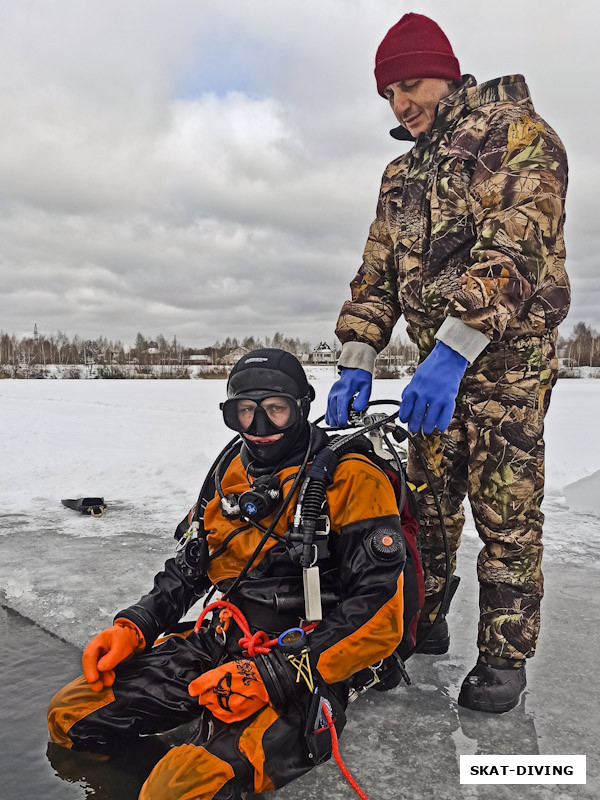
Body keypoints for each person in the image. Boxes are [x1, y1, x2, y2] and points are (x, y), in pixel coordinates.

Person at [327, 12, 569, 713]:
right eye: (389, 95)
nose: (402, 104)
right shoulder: (400, 173)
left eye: (411, 84)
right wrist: (357, 356)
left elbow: (516, 248)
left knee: (506, 516)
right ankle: (419, 620)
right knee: (425, 509)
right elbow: (375, 275)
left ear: (448, 72)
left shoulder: (515, 134)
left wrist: (455, 351)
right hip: (436, 375)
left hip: (505, 371)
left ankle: (502, 655)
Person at [48, 348, 416, 800]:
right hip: (222, 639)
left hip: (301, 661)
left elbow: (380, 617)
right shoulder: (229, 473)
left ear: (302, 407)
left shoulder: (351, 479)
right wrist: (136, 624)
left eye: (275, 411)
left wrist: (273, 675)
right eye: (245, 412)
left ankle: (196, 764)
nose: (259, 429)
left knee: (179, 789)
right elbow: (191, 566)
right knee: (71, 717)